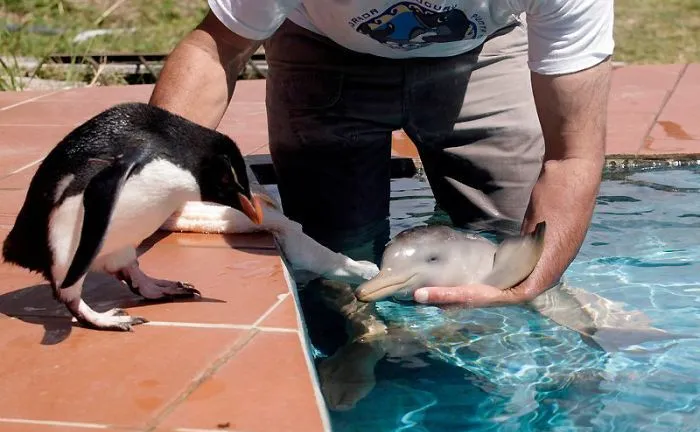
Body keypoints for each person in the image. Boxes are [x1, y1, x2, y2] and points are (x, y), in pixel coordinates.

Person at [149, 0, 614, 309]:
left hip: (485, 48)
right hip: (320, 45)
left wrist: (529, 286)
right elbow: (218, 50)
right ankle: (359, 351)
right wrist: (150, 180)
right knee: (333, 259)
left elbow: (572, 156)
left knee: (513, 247)